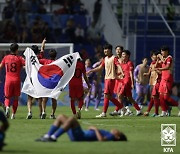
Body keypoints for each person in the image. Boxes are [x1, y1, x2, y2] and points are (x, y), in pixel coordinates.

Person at [87, 44, 124, 118]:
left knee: (107, 95)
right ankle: (122, 108)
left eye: (107, 49)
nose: (105, 51)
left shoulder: (114, 58)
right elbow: (100, 67)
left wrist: (122, 72)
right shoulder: (105, 58)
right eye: (104, 49)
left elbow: (118, 65)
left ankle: (105, 112)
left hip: (111, 78)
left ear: (110, 50)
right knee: (108, 96)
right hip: (107, 78)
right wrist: (91, 70)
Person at [35, 114, 127, 142]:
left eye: (118, 132)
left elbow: (101, 140)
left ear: (117, 136)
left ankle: (53, 137)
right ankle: (48, 136)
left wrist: (95, 129)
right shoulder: (109, 134)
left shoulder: (111, 136)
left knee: (72, 119)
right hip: (79, 134)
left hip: (80, 137)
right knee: (61, 117)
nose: (116, 130)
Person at [110, 50, 142, 116]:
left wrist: (132, 83)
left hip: (126, 82)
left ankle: (118, 110)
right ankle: (138, 110)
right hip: (121, 81)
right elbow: (121, 72)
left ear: (128, 56)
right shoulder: (121, 64)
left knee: (120, 96)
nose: (123, 56)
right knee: (129, 98)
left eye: (124, 54)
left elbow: (131, 73)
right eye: (122, 54)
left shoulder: (129, 63)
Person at [0, 43, 25, 119]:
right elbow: (25, 66)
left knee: (7, 97)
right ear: (17, 50)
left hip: (8, 80)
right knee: (16, 98)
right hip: (17, 80)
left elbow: (0, 67)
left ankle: (7, 107)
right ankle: (13, 114)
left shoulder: (6, 58)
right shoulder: (20, 58)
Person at [157, 46, 180, 116]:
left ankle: (178, 105)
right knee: (160, 96)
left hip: (168, 79)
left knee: (166, 97)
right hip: (163, 79)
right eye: (161, 51)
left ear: (167, 51)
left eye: (163, 51)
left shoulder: (169, 58)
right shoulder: (163, 59)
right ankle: (164, 111)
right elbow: (159, 65)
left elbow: (167, 67)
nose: (161, 53)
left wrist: (160, 68)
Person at [26, 38, 46, 119]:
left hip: (30, 78)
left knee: (30, 97)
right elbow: (42, 49)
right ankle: (41, 113)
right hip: (38, 78)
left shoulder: (28, 59)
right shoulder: (40, 57)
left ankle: (30, 112)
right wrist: (43, 42)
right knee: (40, 98)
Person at [39, 49, 57, 119]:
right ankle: (52, 114)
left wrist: (41, 49)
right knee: (54, 99)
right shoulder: (58, 62)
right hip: (54, 82)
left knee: (44, 98)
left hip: (46, 81)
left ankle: (43, 111)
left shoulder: (45, 61)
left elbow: (37, 60)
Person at [144, 50, 162, 117]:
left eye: (156, 55)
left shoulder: (160, 63)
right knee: (153, 97)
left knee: (155, 97)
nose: (154, 57)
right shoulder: (152, 63)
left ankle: (156, 112)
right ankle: (149, 111)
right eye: (153, 55)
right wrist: (146, 74)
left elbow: (160, 71)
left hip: (157, 82)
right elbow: (150, 72)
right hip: (151, 82)